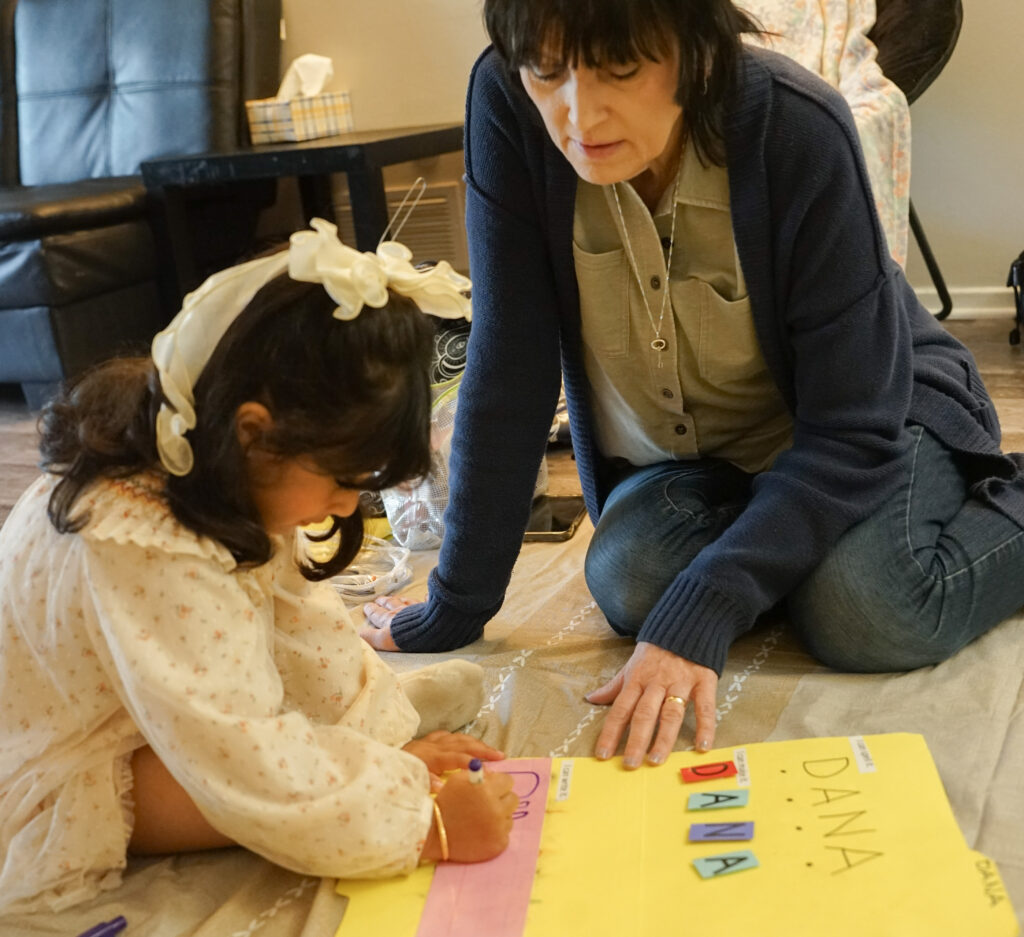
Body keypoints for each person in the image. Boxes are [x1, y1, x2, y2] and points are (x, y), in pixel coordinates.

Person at [362, 0, 1024, 770]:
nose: (580, 113)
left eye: (621, 69)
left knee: (866, 610)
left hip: (871, 420)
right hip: (696, 460)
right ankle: (784, 547)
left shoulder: (797, 126)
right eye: (548, 71)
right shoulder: (506, 104)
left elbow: (853, 427)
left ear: (696, 47)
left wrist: (709, 603)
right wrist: (456, 602)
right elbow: (508, 364)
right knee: (629, 578)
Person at [0, 220, 516, 914]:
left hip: (149, 699)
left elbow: (307, 632)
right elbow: (238, 759)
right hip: (57, 762)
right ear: (253, 430)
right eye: (344, 476)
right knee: (228, 784)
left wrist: (386, 738)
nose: (345, 501)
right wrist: (423, 822)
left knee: (295, 711)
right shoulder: (140, 539)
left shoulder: (224, 463)